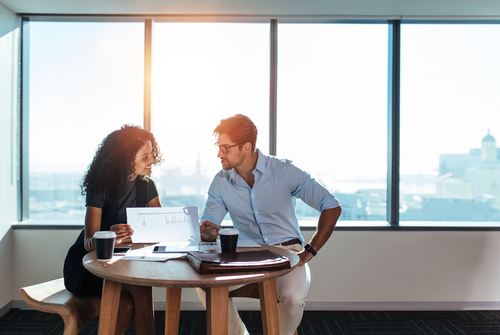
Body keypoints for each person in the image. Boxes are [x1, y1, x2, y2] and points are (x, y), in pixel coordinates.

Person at [198, 114, 342, 335]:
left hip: (287, 252)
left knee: (293, 299)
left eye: (226, 148)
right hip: (244, 255)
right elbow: (209, 223)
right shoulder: (220, 181)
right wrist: (207, 231)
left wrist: (310, 251)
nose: (219, 154)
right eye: (218, 147)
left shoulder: (283, 171)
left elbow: (331, 205)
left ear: (246, 146)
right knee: (202, 281)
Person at [63, 124, 163, 335]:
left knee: (126, 307)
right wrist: (110, 237)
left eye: (151, 155)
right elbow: (89, 241)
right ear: (126, 159)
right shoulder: (100, 188)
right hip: (88, 266)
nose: (152, 161)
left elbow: (160, 227)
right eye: (145, 157)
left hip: (122, 265)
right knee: (142, 288)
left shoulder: (147, 186)